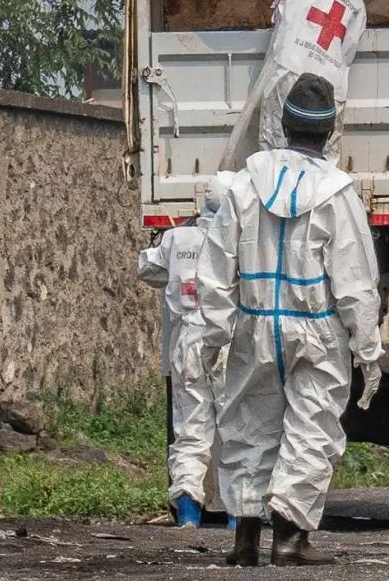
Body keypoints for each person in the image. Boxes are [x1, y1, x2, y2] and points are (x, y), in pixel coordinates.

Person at [197, 73, 383, 567]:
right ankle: (289, 541)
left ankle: (244, 542)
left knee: (247, 427)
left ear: (283, 124)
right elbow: (356, 280)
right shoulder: (338, 194)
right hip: (317, 329)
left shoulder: (243, 186)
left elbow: (217, 267)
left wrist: (214, 335)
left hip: (253, 324)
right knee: (312, 428)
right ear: (329, 130)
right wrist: (368, 350)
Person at [177, 0, 366, 165]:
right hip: (331, 90)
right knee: (323, 169)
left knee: (276, 160)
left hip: (292, 69)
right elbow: (346, 55)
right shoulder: (357, 1)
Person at [137, 171, 238, 528]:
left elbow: (148, 269)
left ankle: (188, 513)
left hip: (188, 341)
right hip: (229, 341)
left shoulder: (176, 238)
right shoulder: (243, 239)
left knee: (191, 428)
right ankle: (237, 517)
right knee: (234, 428)